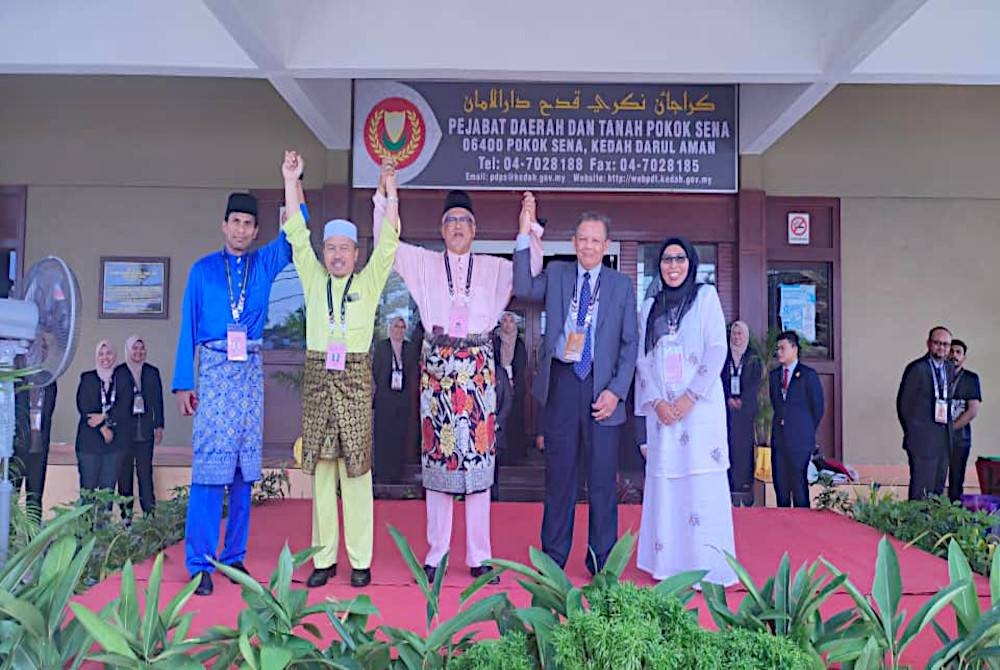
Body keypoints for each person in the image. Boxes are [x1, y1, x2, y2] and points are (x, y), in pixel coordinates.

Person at [371, 160, 543, 584]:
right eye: (451, 222)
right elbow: (385, 244)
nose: (458, 228)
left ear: (475, 229)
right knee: (439, 462)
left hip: (479, 369)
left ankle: (480, 555)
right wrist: (388, 195)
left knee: (480, 464)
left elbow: (531, 271)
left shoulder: (495, 267)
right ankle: (437, 554)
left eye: (465, 221)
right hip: (439, 370)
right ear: (442, 229)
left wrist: (527, 228)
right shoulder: (423, 263)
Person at [281, 150, 400, 589]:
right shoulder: (312, 278)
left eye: (344, 249)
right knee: (323, 473)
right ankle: (324, 560)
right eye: (330, 248)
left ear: (354, 252)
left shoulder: (367, 283)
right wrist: (292, 180)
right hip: (317, 379)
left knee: (357, 472)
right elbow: (296, 234)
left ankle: (361, 560)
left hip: (352, 380)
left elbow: (389, 242)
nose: (336, 256)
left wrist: (389, 189)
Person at [173, 180, 292, 596]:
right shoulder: (202, 270)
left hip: (249, 374)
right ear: (223, 226)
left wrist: (291, 182)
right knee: (208, 470)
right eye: (235, 222)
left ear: (257, 230)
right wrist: (184, 382)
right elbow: (187, 325)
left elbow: (295, 235)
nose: (241, 230)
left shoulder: (263, 264)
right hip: (214, 373)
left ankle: (234, 554)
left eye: (248, 224)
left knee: (243, 473)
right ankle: (199, 562)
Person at [513, 193, 638, 575]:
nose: (588, 246)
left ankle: (601, 564)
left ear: (605, 245)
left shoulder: (620, 285)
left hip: (603, 390)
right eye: (582, 239)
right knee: (560, 479)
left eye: (595, 240)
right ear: (573, 243)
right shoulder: (559, 274)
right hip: (564, 385)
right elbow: (523, 288)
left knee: (602, 481)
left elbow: (630, 343)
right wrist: (523, 235)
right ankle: (553, 560)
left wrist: (617, 391)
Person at [634, 237, 735, 585]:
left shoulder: (705, 298)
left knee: (700, 485)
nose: (673, 266)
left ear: (690, 263)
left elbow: (717, 349)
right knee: (668, 487)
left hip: (699, 411)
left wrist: (689, 398)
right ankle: (668, 567)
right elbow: (642, 361)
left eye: (679, 259)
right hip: (663, 417)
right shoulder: (650, 307)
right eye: (666, 260)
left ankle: (707, 568)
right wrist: (659, 403)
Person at [896, 326, 954, 501]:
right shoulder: (917, 368)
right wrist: (913, 431)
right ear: (929, 344)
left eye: (945, 344)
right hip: (922, 439)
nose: (941, 348)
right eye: (937, 343)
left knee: (937, 489)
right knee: (921, 489)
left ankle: (933, 526)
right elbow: (904, 405)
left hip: (943, 437)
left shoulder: (949, 368)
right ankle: (916, 527)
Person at [769, 330, 824, 508]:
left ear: (794, 349)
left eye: (783, 348)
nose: (779, 352)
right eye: (778, 349)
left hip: (799, 441)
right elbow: (776, 405)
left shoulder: (808, 375)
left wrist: (805, 429)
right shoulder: (774, 376)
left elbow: (818, 408)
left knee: (799, 489)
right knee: (781, 488)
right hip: (780, 440)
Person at [113, 335, 164, 522]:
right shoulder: (118, 372)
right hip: (124, 431)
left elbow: (158, 401)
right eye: (135, 348)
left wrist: (159, 425)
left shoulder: (152, 372)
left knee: (145, 472)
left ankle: (149, 515)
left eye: (141, 348)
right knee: (124, 473)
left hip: (145, 429)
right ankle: (126, 517)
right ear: (128, 350)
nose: (138, 352)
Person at [373, 316, 420, 485]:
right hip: (385, 397)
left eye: (402, 327)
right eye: (396, 326)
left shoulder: (409, 348)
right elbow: (376, 370)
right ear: (389, 328)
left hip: (402, 397)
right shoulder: (382, 347)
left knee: (399, 436)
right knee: (384, 435)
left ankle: (397, 473)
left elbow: (414, 370)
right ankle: (382, 473)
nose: (399, 330)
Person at [75, 340, 126, 497]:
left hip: (114, 445)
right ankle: (85, 523)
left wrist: (104, 417)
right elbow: (85, 409)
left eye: (109, 353)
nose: (105, 358)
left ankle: (104, 523)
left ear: (115, 355)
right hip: (89, 444)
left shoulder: (122, 379)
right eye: (101, 354)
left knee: (107, 495)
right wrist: (103, 427)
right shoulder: (87, 378)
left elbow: (124, 407)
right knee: (87, 494)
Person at [721, 321, 762, 506]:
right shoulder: (724, 354)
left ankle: (743, 485)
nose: (737, 337)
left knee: (743, 446)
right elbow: (718, 378)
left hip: (745, 411)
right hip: (726, 409)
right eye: (734, 333)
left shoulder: (753, 356)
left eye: (740, 334)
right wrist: (728, 397)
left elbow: (755, 382)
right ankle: (727, 484)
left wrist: (742, 400)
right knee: (727, 443)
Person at [492, 311, 527, 501]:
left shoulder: (520, 343)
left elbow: (522, 364)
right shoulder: (495, 341)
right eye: (504, 320)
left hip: (516, 384)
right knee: (500, 417)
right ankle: (501, 453)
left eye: (511, 320)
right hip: (498, 385)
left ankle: (516, 453)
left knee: (515, 417)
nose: (507, 324)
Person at [948, 339, 982, 501]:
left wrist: (951, 428)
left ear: (964, 357)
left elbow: (972, 410)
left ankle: (954, 518)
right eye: (951, 351)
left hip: (960, 439)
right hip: (936, 438)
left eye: (958, 352)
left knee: (956, 480)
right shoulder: (935, 377)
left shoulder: (971, 378)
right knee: (934, 479)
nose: (954, 355)